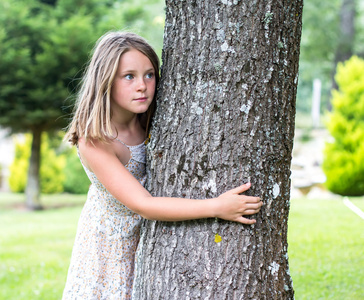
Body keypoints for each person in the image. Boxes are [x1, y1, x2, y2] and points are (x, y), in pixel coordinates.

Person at [62, 31, 263, 299]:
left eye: (149, 74)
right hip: (109, 245)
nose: (142, 85)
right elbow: (143, 204)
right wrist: (216, 206)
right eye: (129, 76)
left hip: (143, 237)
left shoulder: (151, 120)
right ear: (105, 80)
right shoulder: (96, 140)